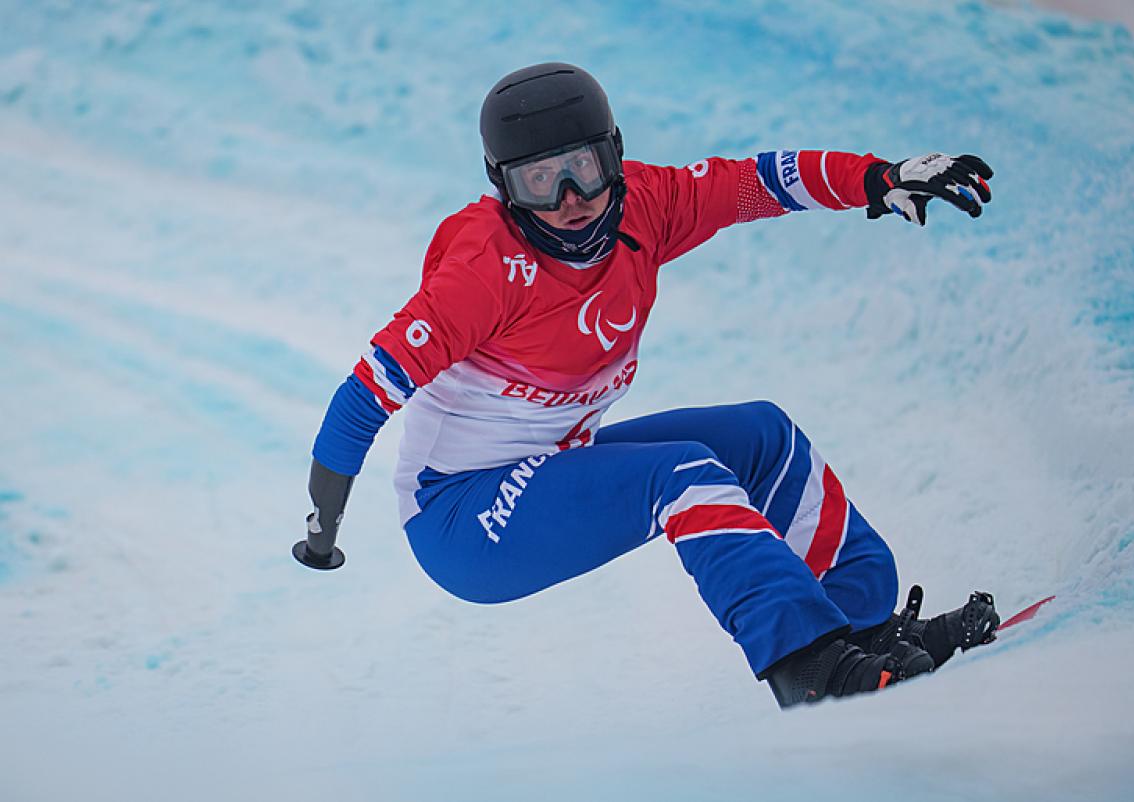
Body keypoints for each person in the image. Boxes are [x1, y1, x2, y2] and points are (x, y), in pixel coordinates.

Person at [293, 62, 1001, 709]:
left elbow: (761, 182)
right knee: (679, 474)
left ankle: (861, 630)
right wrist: (321, 538)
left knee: (761, 434)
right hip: (463, 520)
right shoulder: (482, 274)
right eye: (539, 181)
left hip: (552, 461)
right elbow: (360, 401)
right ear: (502, 186)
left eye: (585, 169)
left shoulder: (646, 208)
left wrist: (876, 177)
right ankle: (806, 664)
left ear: (616, 156)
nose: (571, 199)